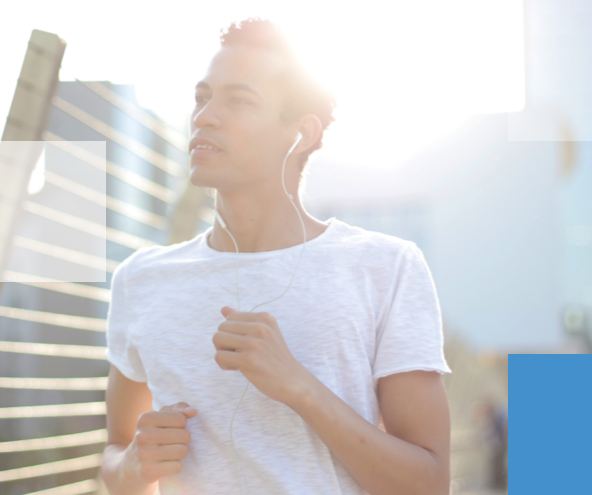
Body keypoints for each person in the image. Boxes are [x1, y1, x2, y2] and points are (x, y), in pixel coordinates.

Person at [100, 17, 452, 495]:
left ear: (301, 134)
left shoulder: (384, 267)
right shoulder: (141, 280)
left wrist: (298, 386)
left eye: (238, 100)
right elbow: (118, 447)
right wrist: (130, 469)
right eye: (202, 96)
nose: (204, 116)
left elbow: (428, 483)